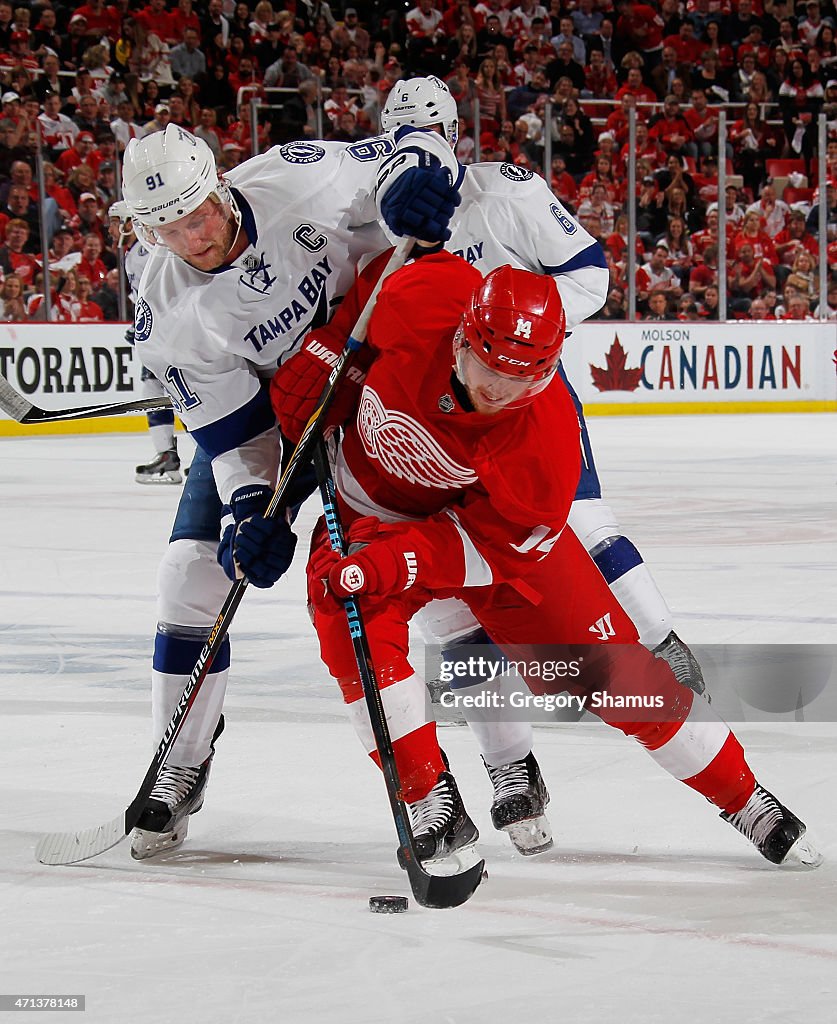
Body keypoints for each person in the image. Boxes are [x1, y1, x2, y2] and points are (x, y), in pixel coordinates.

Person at [271, 252, 821, 874]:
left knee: (621, 677)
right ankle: (429, 796)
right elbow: (372, 288)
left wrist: (398, 561)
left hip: (478, 545)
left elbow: (482, 553)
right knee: (349, 626)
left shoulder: (547, 443)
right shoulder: (427, 289)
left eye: (522, 378)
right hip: (371, 508)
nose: (496, 390)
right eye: (486, 365)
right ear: (462, 335)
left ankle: (745, 797)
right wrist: (332, 356)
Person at [118, 122, 465, 860]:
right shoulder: (167, 311)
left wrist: (412, 181)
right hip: (292, 415)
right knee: (189, 576)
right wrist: (251, 505)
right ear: (146, 232)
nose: (196, 236)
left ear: (220, 184)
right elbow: (238, 434)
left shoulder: (299, 178)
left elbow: (417, 143)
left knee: (431, 580)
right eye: (171, 229)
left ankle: (500, 763)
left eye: (201, 212)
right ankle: (178, 758)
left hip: (389, 387)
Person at [377, 78, 707, 696]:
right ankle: (511, 751)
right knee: (442, 567)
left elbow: (588, 275)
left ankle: (661, 641)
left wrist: (514, 335)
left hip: (527, 401)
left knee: (581, 520)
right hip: (432, 415)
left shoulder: (507, 190)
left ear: (453, 138)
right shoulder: (372, 215)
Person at [109, 201, 178, 483]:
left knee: (169, 389)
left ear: (129, 222)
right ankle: (169, 455)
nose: (111, 229)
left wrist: (147, 324)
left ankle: (177, 455)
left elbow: (168, 293)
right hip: (163, 331)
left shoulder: (145, 251)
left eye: (114, 222)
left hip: (171, 333)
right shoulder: (135, 252)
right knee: (156, 387)